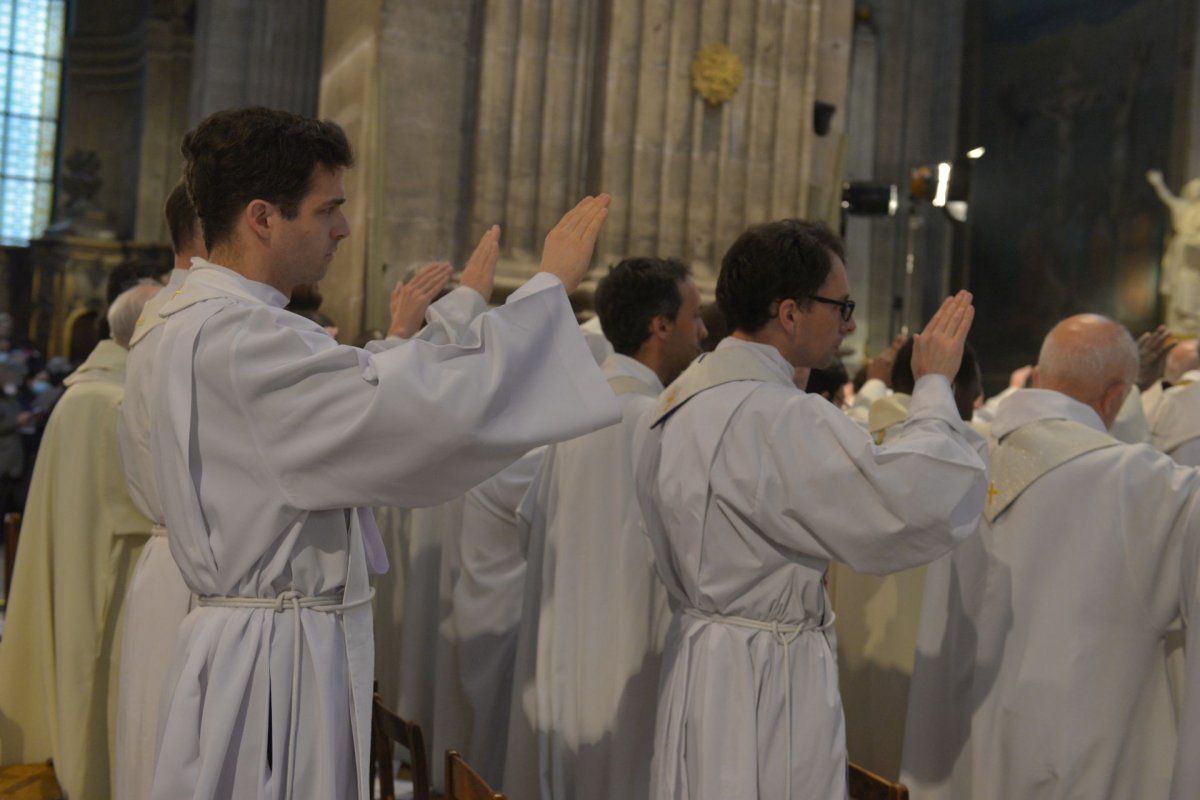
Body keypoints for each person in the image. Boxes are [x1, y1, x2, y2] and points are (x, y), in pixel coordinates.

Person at [148, 106, 620, 800]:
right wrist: (546, 292)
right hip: (273, 664)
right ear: (262, 218)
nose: (342, 228)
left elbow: (370, 385)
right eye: (327, 209)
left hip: (252, 645)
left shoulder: (189, 323)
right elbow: (414, 410)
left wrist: (465, 311)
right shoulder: (246, 342)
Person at [632, 219, 987, 799]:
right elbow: (910, 502)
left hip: (699, 662)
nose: (848, 323)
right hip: (766, 679)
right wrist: (932, 388)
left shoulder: (677, 401)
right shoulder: (780, 417)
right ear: (790, 312)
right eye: (840, 305)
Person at [901, 314, 1200, 800]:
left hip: (958, 754)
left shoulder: (958, 458)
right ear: (1115, 397)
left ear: (1038, 378)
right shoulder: (1140, 484)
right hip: (1068, 766)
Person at [503, 258, 706, 800]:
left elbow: (529, 530)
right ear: (660, 326)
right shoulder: (656, 423)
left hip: (565, 651)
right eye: (695, 316)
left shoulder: (577, 412)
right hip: (631, 657)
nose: (703, 332)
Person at [0, 282, 160, 799]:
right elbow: (153, 513)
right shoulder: (115, 403)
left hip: (80, 572)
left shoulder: (84, 393)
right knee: (94, 719)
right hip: (106, 590)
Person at [829, 337, 983, 779]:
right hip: (921, 670)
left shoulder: (846, 437)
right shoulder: (966, 459)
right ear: (956, 394)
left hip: (849, 660)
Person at [115, 180, 207, 800]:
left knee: (154, 749)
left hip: (168, 567)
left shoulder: (159, 315)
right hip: (201, 577)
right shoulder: (203, 325)